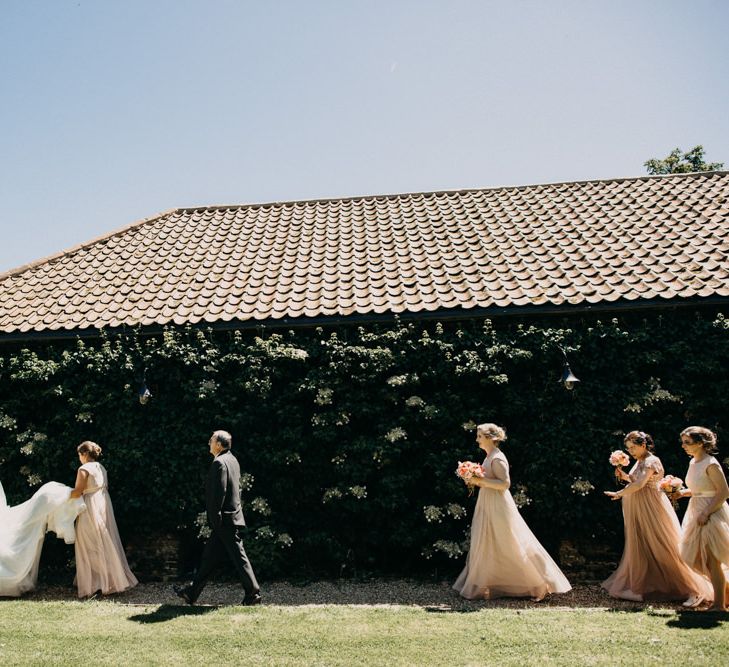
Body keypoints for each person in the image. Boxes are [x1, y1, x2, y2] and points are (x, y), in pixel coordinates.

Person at [453, 423, 571, 601]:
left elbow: (505, 484)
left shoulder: (498, 458)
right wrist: (473, 480)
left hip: (498, 504)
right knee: (489, 542)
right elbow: (488, 480)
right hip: (487, 501)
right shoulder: (488, 456)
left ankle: (539, 582)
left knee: (510, 541)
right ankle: (489, 583)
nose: (477, 440)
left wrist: (480, 480)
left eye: (479, 436)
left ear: (490, 438)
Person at [602, 431, 711, 606]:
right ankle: (648, 585)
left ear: (643, 445)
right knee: (644, 545)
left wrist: (620, 493)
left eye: (633, 447)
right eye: (628, 449)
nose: (630, 452)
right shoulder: (640, 461)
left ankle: (694, 588)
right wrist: (624, 476)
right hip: (639, 507)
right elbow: (635, 479)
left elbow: (640, 484)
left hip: (651, 508)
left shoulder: (652, 460)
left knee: (664, 545)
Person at [174, 430, 261, 606]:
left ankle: (253, 594)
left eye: (211, 440)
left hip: (224, 520)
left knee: (238, 557)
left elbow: (218, 494)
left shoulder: (219, 463)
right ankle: (191, 593)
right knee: (209, 559)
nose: (209, 443)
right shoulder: (233, 460)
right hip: (230, 517)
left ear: (219, 445)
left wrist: (215, 519)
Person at [71, 441, 138, 598]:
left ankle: (96, 584)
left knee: (88, 544)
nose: (79, 458)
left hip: (89, 507)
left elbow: (78, 491)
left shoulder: (84, 469)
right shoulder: (101, 468)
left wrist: (60, 496)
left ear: (85, 454)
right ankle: (106, 580)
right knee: (102, 541)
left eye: (79, 455)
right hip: (102, 505)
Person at [0, 480, 86, 596]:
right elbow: (74, 494)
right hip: (29, 519)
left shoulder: (44, 499)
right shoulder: (44, 499)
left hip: (32, 517)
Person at [677, 426, 729, 612]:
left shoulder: (711, 463)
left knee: (712, 559)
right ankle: (724, 594)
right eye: (683, 442)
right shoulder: (693, 462)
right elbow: (700, 489)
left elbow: (723, 492)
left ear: (700, 443)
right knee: (697, 557)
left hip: (711, 512)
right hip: (696, 510)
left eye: (687, 442)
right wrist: (682, 493)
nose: (683, 446)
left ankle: (719, 605)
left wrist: (706, 512)